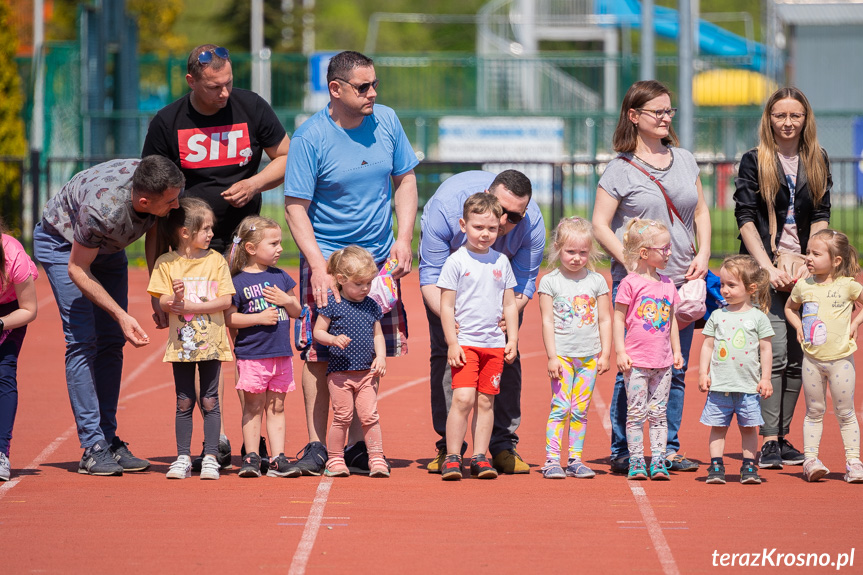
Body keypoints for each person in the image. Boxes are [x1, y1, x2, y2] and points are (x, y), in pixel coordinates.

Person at [143, 44, 291, 467]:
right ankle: (219, 434)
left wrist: (256, 183)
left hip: (242, 247)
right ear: (191, 81)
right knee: (206, 338)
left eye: (228, 83)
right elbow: (155, 208)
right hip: (190, 253)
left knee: (245, 334)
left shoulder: (250, 106)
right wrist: (155, 286)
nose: (225, 92)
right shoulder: (168, 122)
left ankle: (251, 431)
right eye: (214, 87)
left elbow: (285, 154)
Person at [284, 50, 418, 475]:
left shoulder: (388, 121)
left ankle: (358, 445)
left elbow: (406, 180)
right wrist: (318, 267)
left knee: (368, 349)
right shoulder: (310, 138)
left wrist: (404, 236)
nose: (373, 93)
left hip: (377, 262)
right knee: (317, 355)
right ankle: (317, 445)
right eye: (363, 87)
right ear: (336, 89)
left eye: (375, 84)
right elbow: (294, 208)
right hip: (327, 261)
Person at [33, 156, 183, 476]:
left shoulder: (152, 180)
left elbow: (153, 228)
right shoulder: (104, 210)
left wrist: (157, 294)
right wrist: (121, 314)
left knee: (113, 340)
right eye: (171, 201)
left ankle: (108, 438)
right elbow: (78, 268)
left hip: (108, 248)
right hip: (65, 247)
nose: (177, 205)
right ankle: (92, 446)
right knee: (83, 340)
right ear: (144, 200)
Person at [592, 80, 710, 474]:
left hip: (681, 281)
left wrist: (704, 253)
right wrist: (629, 263)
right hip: (639, 285)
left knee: (673, 367)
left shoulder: (686, 159)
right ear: (633, 115)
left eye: (668, 111)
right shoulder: (619, 169)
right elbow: (599, 224)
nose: (664, 118)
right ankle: (625, 449)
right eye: (656, 111)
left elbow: (702, 213)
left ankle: (667, 449)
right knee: (635, 368)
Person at [419, 169, 545, 475]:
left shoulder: (532, 225)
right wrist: (453, 326)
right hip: (451, 295)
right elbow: (430, 278)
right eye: (500, 212)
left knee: (508, 361)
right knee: (445, 356)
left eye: (514, 217)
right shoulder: (445, 211)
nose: (502, 224)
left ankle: (502, 446)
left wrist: (508, 316)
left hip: (502, 296)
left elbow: (526, 280)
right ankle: (449, 449)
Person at [734, 87, 832, 470]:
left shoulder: (818, 158)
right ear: (768, 119)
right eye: (780, 116)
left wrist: (811, 261)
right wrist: (768, 269)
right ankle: (769, 439)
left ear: (805, 119)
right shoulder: (754, 160)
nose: (787, 123)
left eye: (795, 116)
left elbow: (822, 213)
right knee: (772, 352)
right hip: (765, 266)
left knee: (797, 355)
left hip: (805, 269)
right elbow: (745, 218)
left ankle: (784, 435)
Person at [147, 198, 235, 480]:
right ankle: (182, 456)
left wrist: (190, 306)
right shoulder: (166, 263)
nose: (211, 234)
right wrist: (175, 298)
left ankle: (210, 456)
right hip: (182, 344)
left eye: (211, 228)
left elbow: (225, 299)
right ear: (185, 232)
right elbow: (162, 302)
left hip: (212, 343)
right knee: (184, 400)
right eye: (205, 229)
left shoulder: (216, 261)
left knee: (210, 400)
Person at [437, 194, 518, 481]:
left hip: (494, 345)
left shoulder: (502, 262)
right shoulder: (456, 261)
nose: (485, 234)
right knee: (462, 398)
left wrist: (513, 340)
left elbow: (509, 304)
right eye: (478, 227)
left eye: (492, 229)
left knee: (486, 402)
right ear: (463, 225)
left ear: (500, 229)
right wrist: (452, 342)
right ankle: (452, 456)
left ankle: (480, 456)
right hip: (466, 345)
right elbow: (446, 305)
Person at [225, 216, 302, 478]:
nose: (280, 248)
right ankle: (251, 456)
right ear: (251, 248)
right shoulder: (237, 281)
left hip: (280, 355)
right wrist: (257, 318)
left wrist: (285, 300)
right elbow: (230, 318)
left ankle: (279, 459)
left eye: (280, 242)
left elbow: (297, 310)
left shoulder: (281, 276)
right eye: (274, 243)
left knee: (277, 407)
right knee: (253, 407)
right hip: (253, 356)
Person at [784, 229, 863, 483]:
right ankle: (810, 460)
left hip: (841, 360)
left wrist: (854, 324)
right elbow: (790, 308)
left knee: (845, 412)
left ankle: (853, 462)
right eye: (807, 252)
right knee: (814, 411)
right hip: (812, 362)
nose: (808, 258)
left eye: (815, 254)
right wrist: (797, 327)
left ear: (836, 260)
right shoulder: (804, 286)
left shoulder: (848, 285)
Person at [538, 217, 611, 479]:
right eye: (570, 251)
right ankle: (551, 460)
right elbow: (546, 320)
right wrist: (551, 356)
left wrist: (605, 353)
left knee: (580, 410)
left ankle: (576, 459)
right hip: (563, 358)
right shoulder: (550, 282)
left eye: (582, 252)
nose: (577, 258)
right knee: (560, 407)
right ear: (558, 248)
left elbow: (605, 319)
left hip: (589, 358)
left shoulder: (597, 281)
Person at [613, 219, 684, 480]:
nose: (669, 253)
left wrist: (676, 351)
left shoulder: (668, 284)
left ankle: (658, 460)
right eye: (664, 248)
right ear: (645, 253)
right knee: (635, 413)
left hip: (663, 363)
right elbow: (619, 317)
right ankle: (636, 462)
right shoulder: (630, 283)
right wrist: (620, 351)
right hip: (637, 362)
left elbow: (672, 320)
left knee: (658, 414)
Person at [312, 246, 390, 478]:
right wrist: (333, 339)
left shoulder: (371, 305)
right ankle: (335, 458)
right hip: (340, 374)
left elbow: (378, 334)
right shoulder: (332, 304)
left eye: (368, 283)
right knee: (342, 416)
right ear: (341, 280)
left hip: (366, 373)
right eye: (359, 284)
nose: (365, 288)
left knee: (369, 416)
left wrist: (382, 357)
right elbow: (318, 332)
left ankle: (376, 457)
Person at [698, 255, 774, 485]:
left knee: (749, 428)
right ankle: (716, 465)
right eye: (722, 284)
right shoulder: (717, 316)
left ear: (751, 288)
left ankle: (749, 466)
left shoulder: (758, 317)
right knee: (718, 427)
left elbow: (766, 349)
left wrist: (766, 379)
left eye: (731, 285)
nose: (724, 290)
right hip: (720, 385)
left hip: (748, 387)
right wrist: (703, 373)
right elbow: (707, 346)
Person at [0, 228, 39, 482]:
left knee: (4, 370)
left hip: (12, 308)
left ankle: (1, 452)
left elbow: (30, 310)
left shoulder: (13, 255)